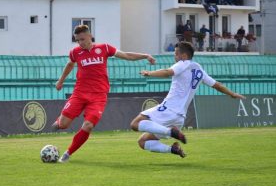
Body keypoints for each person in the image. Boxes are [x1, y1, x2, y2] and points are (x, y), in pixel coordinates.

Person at [52, 24, 156, 163]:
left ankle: (67, 153)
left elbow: (125, 55)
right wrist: (60, 81)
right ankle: (60, 121)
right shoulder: (75, 52)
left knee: (88, 126)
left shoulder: (104, 48)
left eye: (82, 39)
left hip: (98, 97)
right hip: (79, 93)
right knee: (64, 125)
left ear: (89, 36)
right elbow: (70, 64)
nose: (80, 43)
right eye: (77, 40)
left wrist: (144, 55)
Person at [130, 41, 245, 158]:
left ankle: (170, 132)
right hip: (180, 118)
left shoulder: (183, 63)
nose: (174, 57)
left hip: (169, 109)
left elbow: (167, 72)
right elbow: (217, 85)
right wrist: (232, 94)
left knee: (135, 124)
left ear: (184, 56)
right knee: (143, 141)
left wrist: (149, 73)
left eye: (176, 54)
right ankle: (173, 149)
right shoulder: (199, 70)